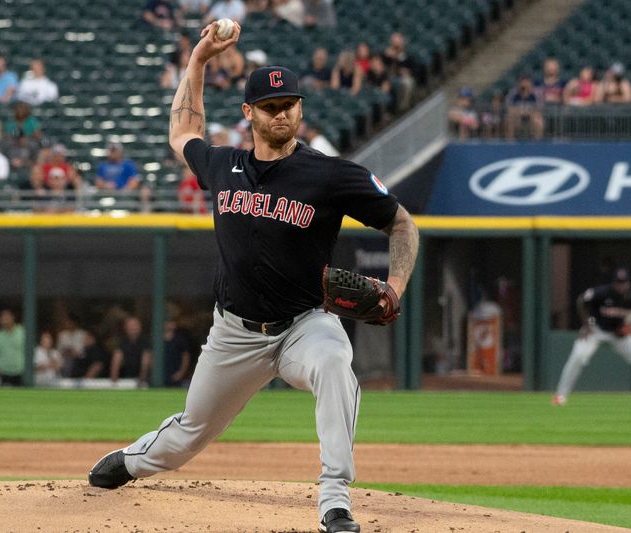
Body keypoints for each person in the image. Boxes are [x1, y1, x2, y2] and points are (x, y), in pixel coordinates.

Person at [87, 21, 419, 533]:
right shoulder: (224, 166)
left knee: (335, 367)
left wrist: (395, 284)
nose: (282, 112)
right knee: (188, 436)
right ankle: (131, 461)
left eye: (289, 103)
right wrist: (197, 61)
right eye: (270, 105)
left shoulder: (330, 175)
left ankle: (335, 501)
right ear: (249, 113)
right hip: (235, 335)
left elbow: (400, 221)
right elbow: (182, 133)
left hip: (304, 324)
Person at [552, 268, 631, 407]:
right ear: (613, 283)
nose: (621, 286)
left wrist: (627, 323)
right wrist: (587, 325)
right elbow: (581, 301)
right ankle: (560, 396)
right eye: (618, 282)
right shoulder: (601, 292)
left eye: (624, 282)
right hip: (595, 330)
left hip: (618, 334)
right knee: (578, 356)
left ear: (629, 283)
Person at [109, 316, 152, 385]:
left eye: (135, 325)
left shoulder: (147, 342)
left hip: (146, 381)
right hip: (125, 379)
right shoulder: (121, 343)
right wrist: (114, 383)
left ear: (140, 327)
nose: (132, 328)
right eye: (130, 325)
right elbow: (116, 362)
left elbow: (146, 362)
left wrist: (141, 380)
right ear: (125, 327)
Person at [0, 308, 25, 386]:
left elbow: (31, 352)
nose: (4, 320)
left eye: (6, 317)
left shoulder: (23, 332)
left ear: (12, 317)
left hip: (21, 372)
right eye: (2, 318)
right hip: (3, 374)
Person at [504, 74, 543, 140]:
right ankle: (510, 142)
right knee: (510, 119)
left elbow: (539, 108)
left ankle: (537, 142)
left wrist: (528, 112)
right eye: (522, 82)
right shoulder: (513, 93)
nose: (525, 84)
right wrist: (519, 112)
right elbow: (509, 107)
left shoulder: (536, 94)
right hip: (516, 116)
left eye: (527, 82)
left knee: (538, 120)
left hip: (531, 116)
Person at [163, 319, 191, 387]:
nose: (170, 325)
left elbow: (186, 357)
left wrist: (180, 373)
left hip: (175, 376)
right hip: (162, 375)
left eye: (172, 323)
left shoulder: (180, 339)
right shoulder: (157, 339)